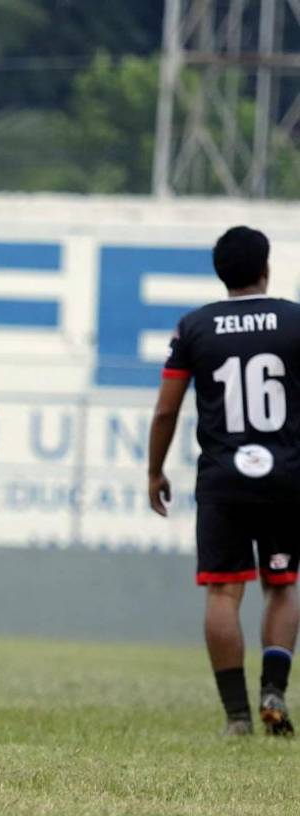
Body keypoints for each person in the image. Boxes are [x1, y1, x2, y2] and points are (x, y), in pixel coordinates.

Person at [148, 225, 299, 737]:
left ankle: (237, 717)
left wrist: (154, 470)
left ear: (221, 272)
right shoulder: (294, 320)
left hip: (223, 480)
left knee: (222, 594)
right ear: (266, 268)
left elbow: (167, 410)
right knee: (281, 587)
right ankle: (273, 689)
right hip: (285, 478)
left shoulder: (195, 327)